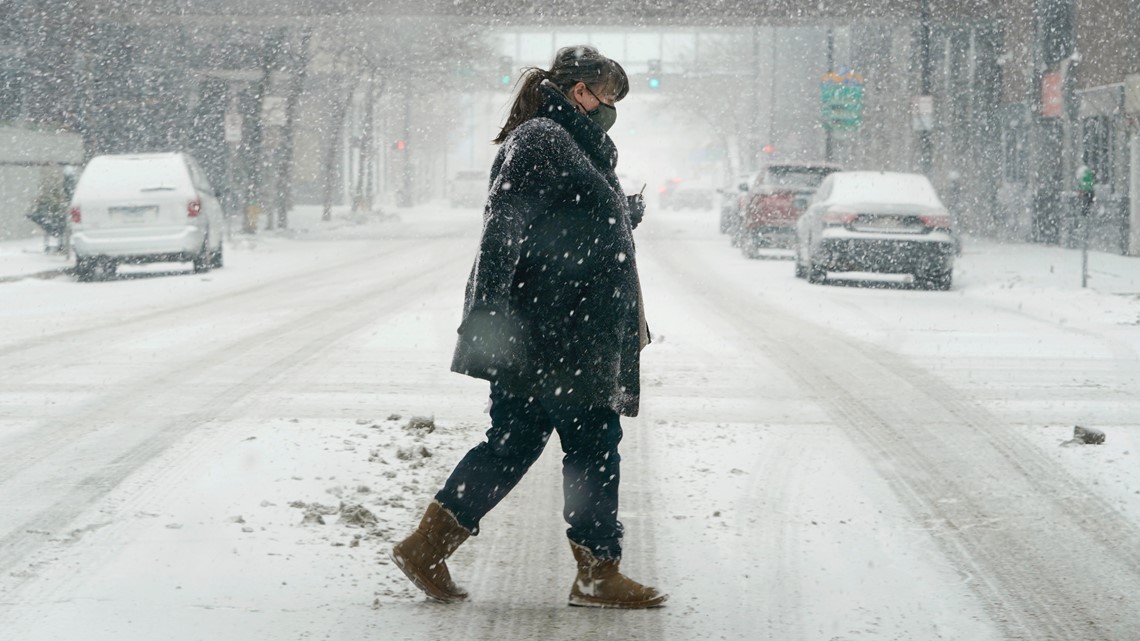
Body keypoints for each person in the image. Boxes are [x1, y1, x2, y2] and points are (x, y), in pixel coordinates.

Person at [390, 45, 664, 609]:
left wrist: (616, 216)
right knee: (594, 444)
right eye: (607, 98)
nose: (610, 110)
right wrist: (489, 308)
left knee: (513, 443)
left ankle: (427, 545)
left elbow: (558, 219)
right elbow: (503, 224)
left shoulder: (568, 143)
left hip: (554, 328)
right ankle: (596, 571)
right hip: (560, 330)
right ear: (579, 91)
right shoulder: (543, 139)